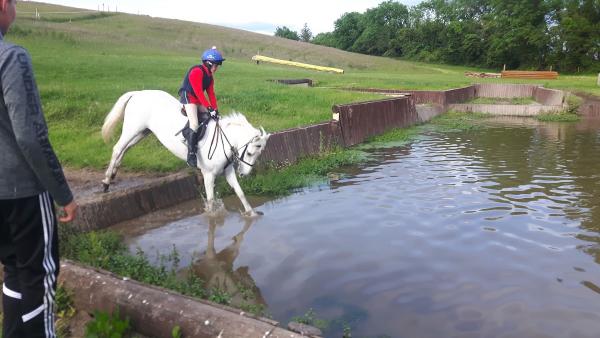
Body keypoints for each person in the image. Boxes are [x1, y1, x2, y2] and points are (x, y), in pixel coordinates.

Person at [0, 0, 79, 337]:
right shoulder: (12, 56)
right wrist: (64, 194)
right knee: (40, 278)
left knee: (14, 272)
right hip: (23, 192)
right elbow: (30, 136)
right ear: (4, 5)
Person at [178, 46, 225, 167]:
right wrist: (209, 108)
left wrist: (215, 110)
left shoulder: (210, 77)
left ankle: (201, 140)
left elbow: (211, 94)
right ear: (209, 63)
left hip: (197, 99)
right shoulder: (196, 71)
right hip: (188, 97)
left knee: (211, 117)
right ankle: (191, 154)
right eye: (216, 65)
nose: (217, 68)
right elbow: (198, 91)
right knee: (194, 123)